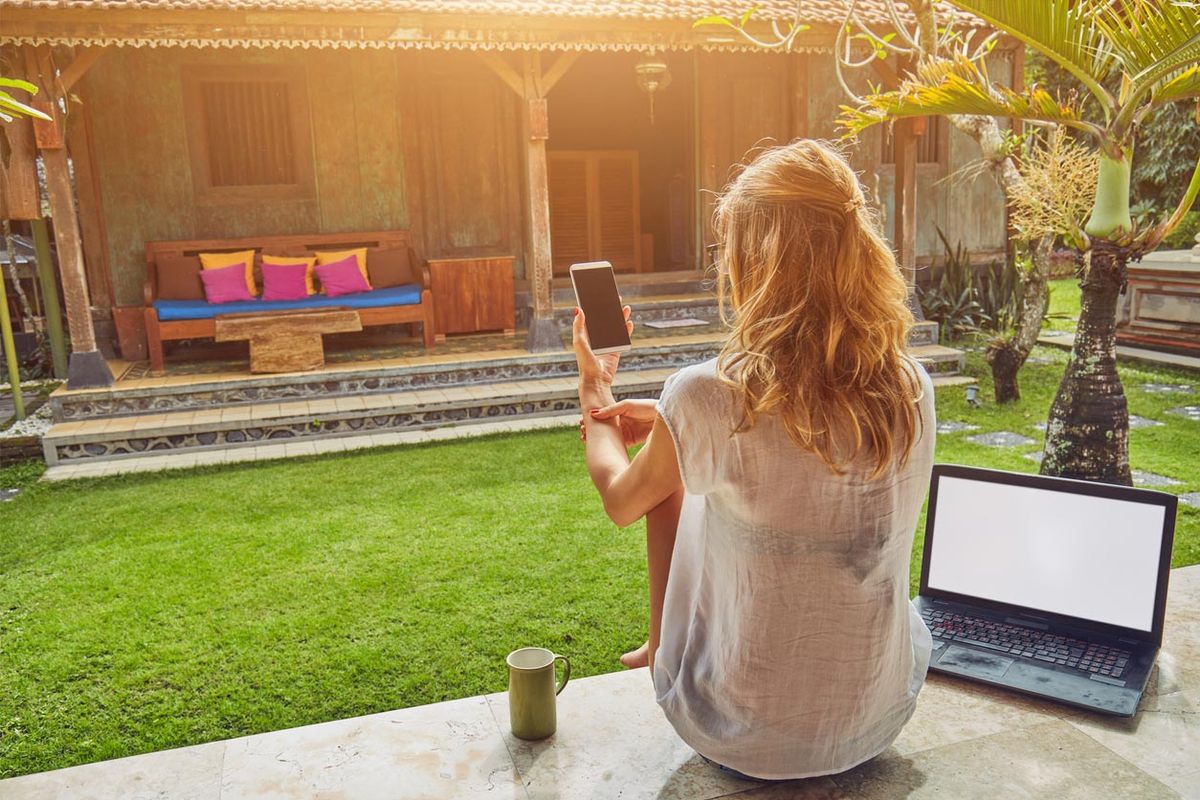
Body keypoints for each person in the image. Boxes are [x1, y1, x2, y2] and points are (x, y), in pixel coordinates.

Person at [571, 139, 936, 781]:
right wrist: (676, 427)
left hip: (741, 732)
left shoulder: (707, 394)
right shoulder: (908, 386)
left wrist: (594, 386)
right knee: (690, 463)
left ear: (755, 259)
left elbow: (621, 500)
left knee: (669, 486)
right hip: (874, 714)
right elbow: (802, 438)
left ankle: (661, 648)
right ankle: (662, 642)